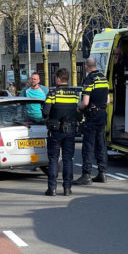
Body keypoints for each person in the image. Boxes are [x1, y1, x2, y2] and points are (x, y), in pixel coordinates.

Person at [43, 68, 80, 196]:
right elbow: (77, 111)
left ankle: (52, 189)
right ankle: (67, 188)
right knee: (68, 159)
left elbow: (45, 112)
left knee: (53, 159)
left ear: (58, 79)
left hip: (55, 131)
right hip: (70, 130)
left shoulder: (53, 93)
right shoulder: (75, 94)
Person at [73, 58, 110, 185]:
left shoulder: (89, 80)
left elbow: (85, 102)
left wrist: (78, 109)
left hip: (92, 116)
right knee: (101, 145)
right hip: (102, 115)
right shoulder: (104, 79)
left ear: (86, 67)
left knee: (88, 146)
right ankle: (102, 173)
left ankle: (86, 175)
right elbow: (108, 100)